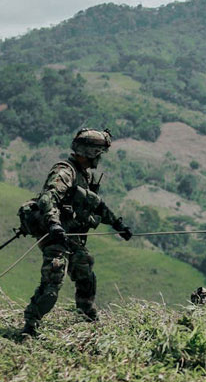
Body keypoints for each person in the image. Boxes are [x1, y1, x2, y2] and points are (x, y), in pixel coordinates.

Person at [22, 128, 132, 336]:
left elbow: (96, 205)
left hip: (71, 238)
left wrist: (118, 225)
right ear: (90, 152)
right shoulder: (65, 172)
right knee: (52, 284)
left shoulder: (84, 175)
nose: (100, 158)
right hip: (56, 236)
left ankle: (87, 316)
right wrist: (54, 224)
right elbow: (48, 198)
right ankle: (30, 325)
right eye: (99, 153)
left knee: (86, 276)